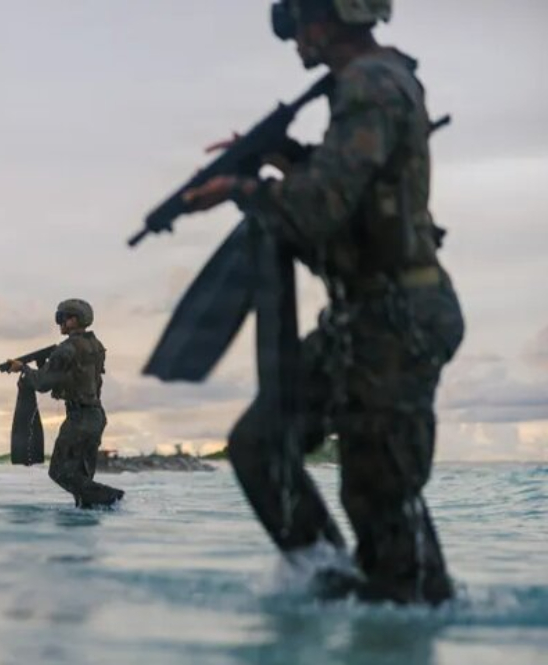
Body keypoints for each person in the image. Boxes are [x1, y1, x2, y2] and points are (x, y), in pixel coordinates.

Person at [181, 0, 464, 604]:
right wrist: (281, 155)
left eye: (299, 20)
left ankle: (411, 616)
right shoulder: (364, 86)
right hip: (356, 318)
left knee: (381, 493)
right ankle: (331, 583)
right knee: (261, 444)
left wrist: (243, 188)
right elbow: (353, 185)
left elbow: (318, 210)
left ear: (331, 17)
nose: (295, 39)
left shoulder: (371, 84)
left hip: (398, 320)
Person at [7, 299, 124, 508]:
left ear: (75, 319)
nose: (59, 322)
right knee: (81, 480)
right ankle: (89, 525)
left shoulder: (66, 349)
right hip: (96, 417)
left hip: (79, 419)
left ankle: (112, 498)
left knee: (60, 473)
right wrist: (44, 362)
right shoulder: (95, 346)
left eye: (63, 317)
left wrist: (22, 368)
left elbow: (42, 383)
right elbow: (71, 376)